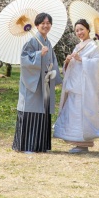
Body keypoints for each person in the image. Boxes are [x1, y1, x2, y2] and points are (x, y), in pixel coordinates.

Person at [53, 18, 99, 153]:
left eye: (81, 29)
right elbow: (72, 67)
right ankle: (76, 141)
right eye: (77, 30)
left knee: (80, 114)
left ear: (88, 29)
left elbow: (98, 64)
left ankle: (83, 144)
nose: (79, 32)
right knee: (73, 114)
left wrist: (82, 59)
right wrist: (67, 61)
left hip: (84, 88)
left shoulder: (93, 46)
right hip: (74, 85)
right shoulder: (78, 46)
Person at [12, 12, 62, 153]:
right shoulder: (31, 42)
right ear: (37, 25)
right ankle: (28, 146)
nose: (46, 26)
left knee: (43, 113)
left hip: (45, 82)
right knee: (32, 112)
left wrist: (54, 73)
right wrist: (39, 54)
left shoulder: (47, 42)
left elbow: (53, 61)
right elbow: (24, 60)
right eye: (43, 23)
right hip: (32, 83)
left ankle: (40, 145)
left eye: (48, 23)